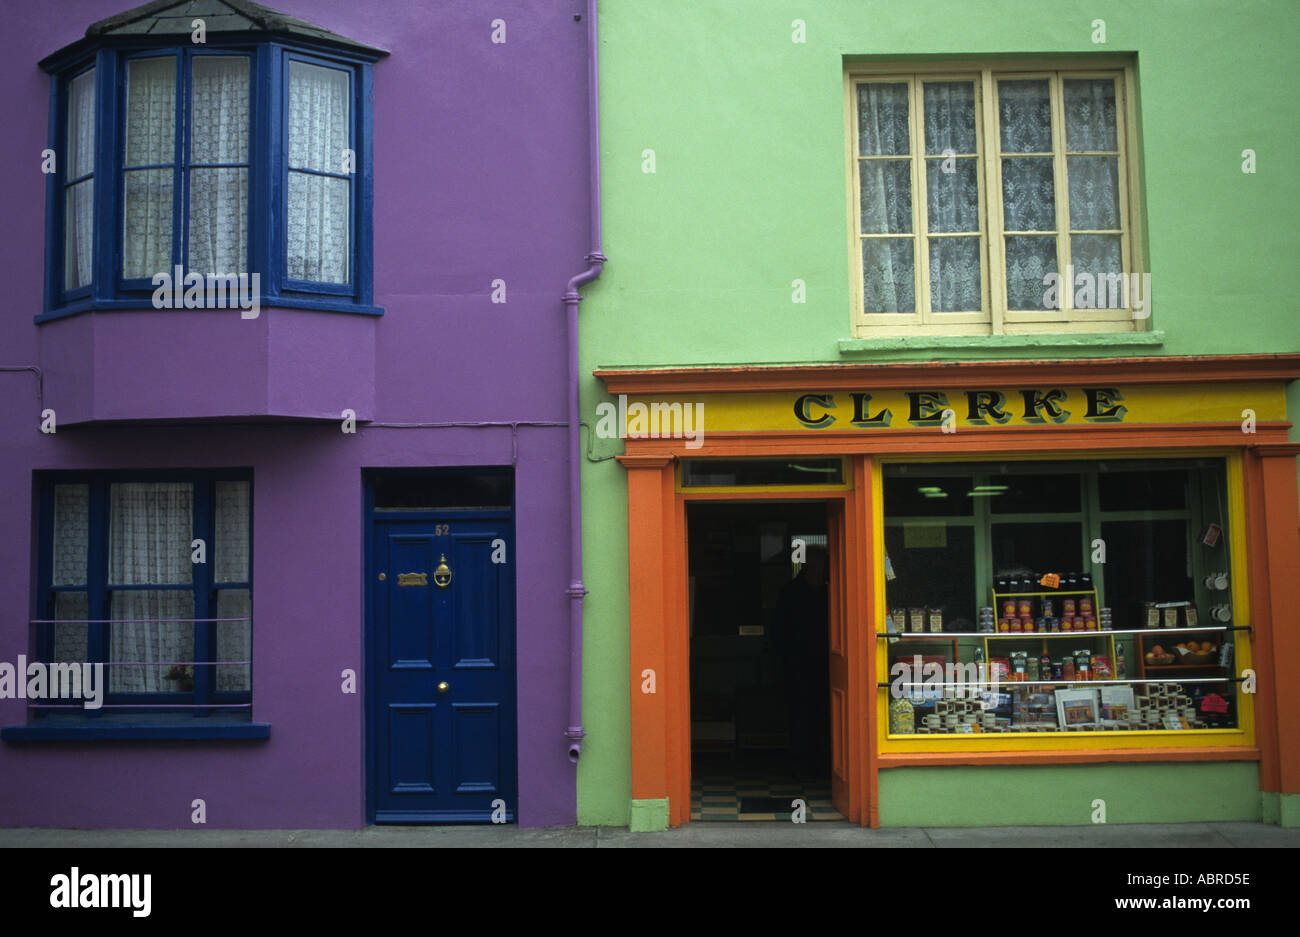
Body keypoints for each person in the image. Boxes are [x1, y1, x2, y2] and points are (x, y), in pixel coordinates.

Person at [771, 545, 831, 778]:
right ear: (806, 564)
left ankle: (824, 763)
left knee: (826, 713)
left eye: (822, 562)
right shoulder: (791, 593)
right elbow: (779, 630)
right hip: (798, 665)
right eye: (816, 562)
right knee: (801, 713)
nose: (820, 566)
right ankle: (801, 765)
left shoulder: (830, 592)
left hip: (827, 664)